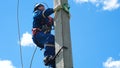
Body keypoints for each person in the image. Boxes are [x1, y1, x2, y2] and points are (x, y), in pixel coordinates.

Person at [32, 3, 61, 68]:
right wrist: (54, 9)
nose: (43, 7)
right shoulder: (37, 13)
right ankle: (47, 57)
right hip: (38, 35)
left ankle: (53, 64)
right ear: (38, 8)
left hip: (45, 39)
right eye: (41, 6)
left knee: (54, 44)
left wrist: (65, 15)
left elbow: (58, 22)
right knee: (50, 37)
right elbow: (44, 13)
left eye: (43, 6)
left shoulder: (49, 19)